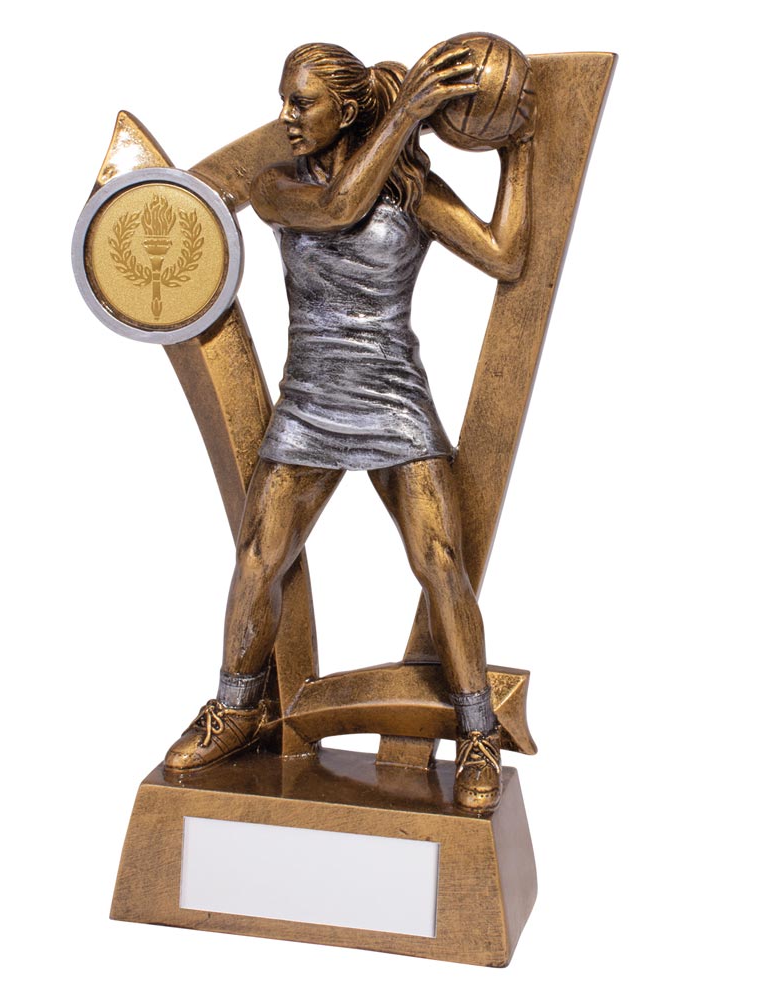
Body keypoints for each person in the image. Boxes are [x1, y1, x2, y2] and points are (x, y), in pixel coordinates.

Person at [164, 40, 534, 811]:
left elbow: (505, 256)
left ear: (348, 108)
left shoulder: (409, 188)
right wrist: (407, 115)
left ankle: (476, 732)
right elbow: (338, 209)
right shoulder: (275, 185)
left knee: (440, 561)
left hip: (393, 399)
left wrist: (520, 152)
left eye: (302, 102)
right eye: (284, 100)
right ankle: (236, 709)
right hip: (309, 404)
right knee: (259, 557)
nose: (287, 117)